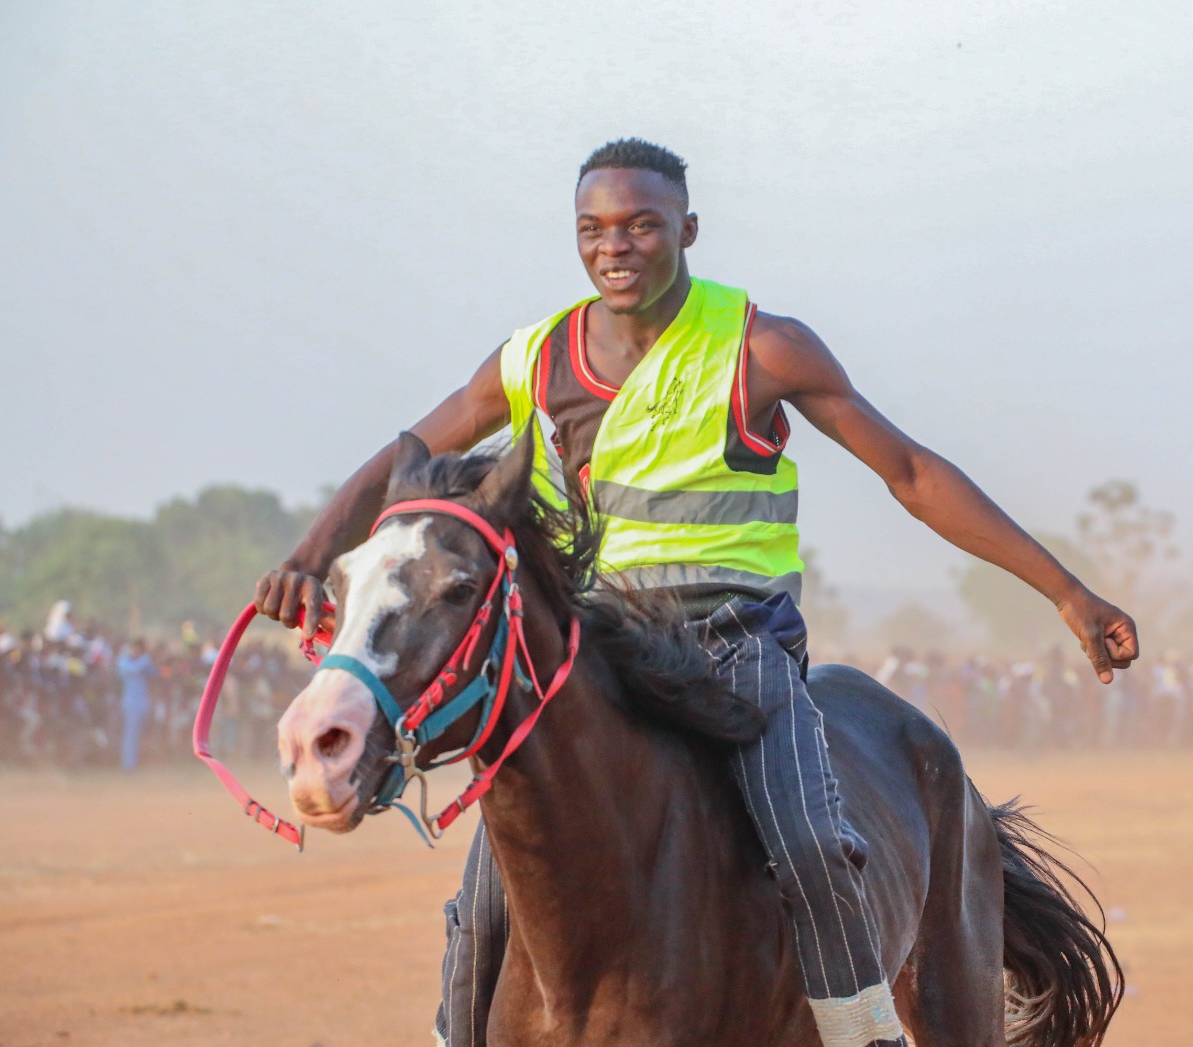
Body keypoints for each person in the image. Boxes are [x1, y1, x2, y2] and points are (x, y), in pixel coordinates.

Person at [255, 138, 1138, 1047]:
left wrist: (1067, 593)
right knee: (485, 901)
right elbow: (408, 457)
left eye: (642, 224)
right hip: (594, 661)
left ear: (688, 228)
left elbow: (911, 472)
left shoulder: (763, 347)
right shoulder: (531, 358)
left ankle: (866, 1033)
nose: (616, 247)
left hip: (737, 652)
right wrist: (311, 551)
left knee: (810, 848)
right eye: (593, 229)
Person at [115, 638, 156, 771]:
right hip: (130, 703)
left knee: (140, 735)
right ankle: (128, 765)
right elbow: (133, 669)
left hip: (143, 703)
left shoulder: (145, 662)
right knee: (130, 735)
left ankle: (137, 762)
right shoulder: (126, 661)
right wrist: (145, 660)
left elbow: (155, 674)